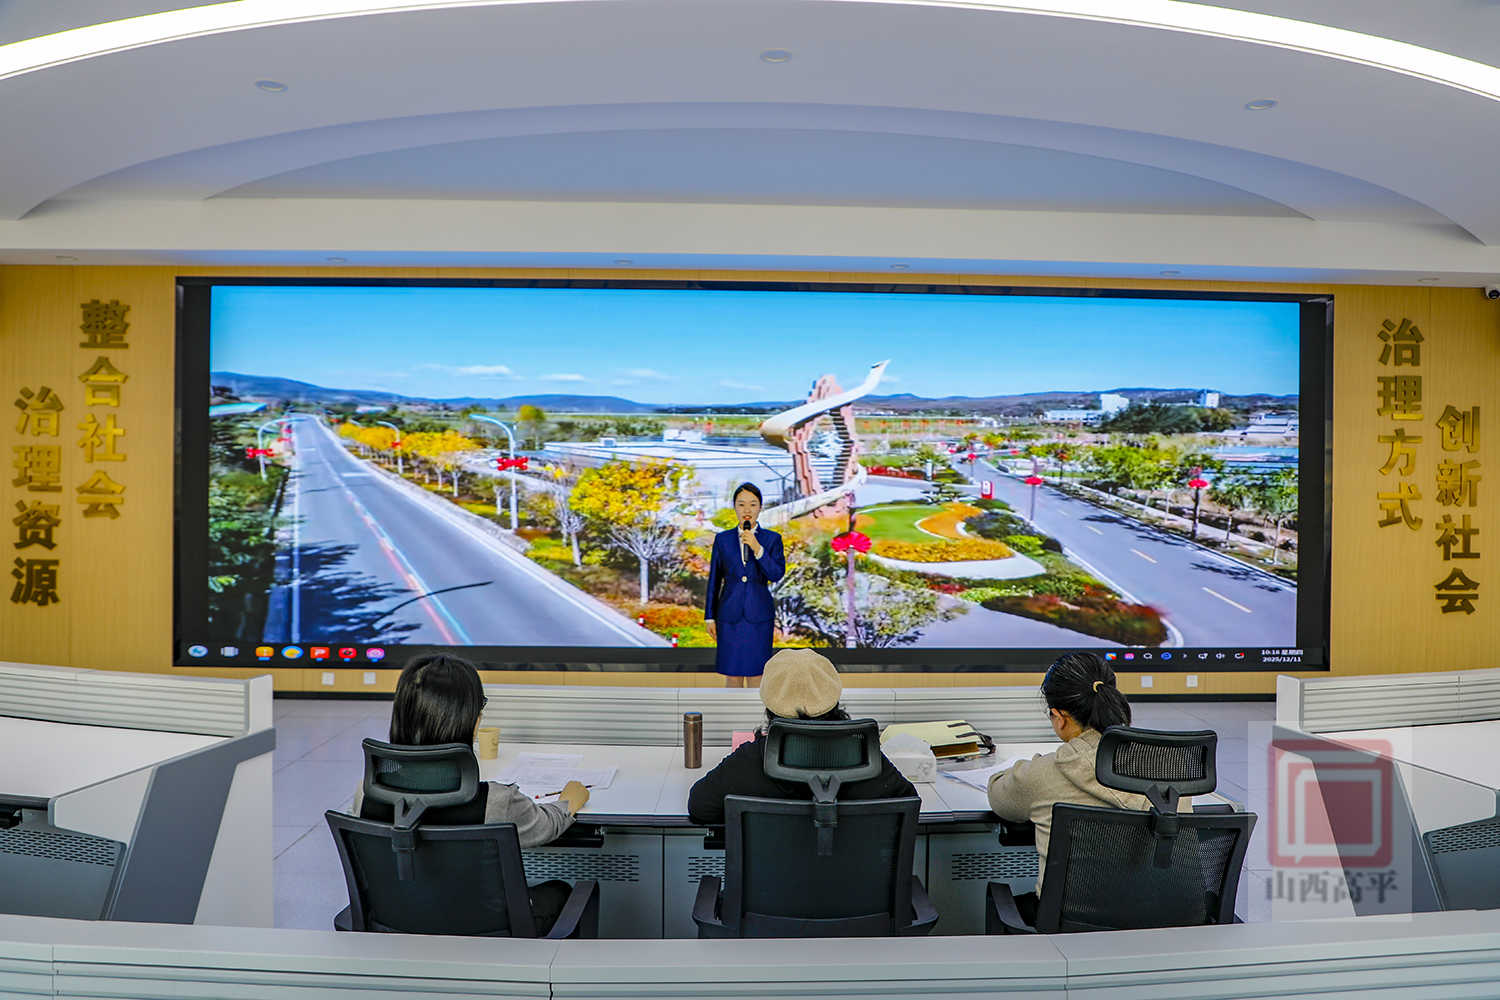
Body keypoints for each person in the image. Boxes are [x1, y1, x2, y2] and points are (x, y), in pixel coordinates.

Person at [352, 653, 590, 933]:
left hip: (397, 924)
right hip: (487, 932)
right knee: (562, 890)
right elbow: (545, 827)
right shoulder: (496, 801)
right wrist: (568, 801)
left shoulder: (367, 794)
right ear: (472, 720)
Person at [987, 651, 1177, 921]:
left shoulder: (1043, 773)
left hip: (1070, 926)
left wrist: (1025, 770)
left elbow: (999, 798)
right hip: (1163, 922)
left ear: (1059, 717)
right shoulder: (1171, 767)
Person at [687, 648, 915, 824]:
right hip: (857, 873)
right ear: (833, 697)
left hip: (772, 874)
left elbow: (701, 807)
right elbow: (909, 804)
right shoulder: (864, 756)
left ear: (769, 704)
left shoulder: (752, 759)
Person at [704, 482, 785, 688]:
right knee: (732, 675)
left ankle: (757, 711)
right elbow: (715, 580)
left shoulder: (772, 539)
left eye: (753, 504)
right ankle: (732, 711)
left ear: (760, 507)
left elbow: (776, 574)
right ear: (734, 507)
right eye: (741, 504)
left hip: (758, 616)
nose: (747, 510)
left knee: (757, 676)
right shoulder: (722, 540)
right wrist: (709, 616)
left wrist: (758, 549)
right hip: (729, 615)